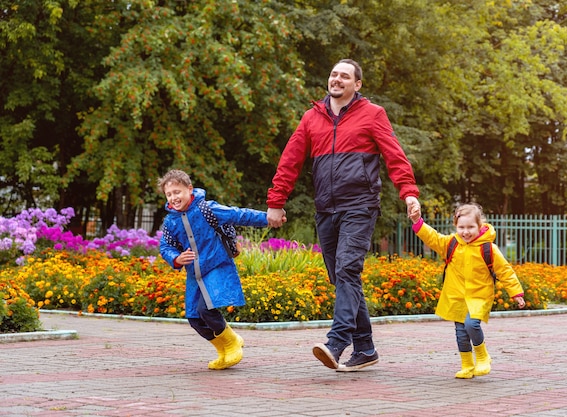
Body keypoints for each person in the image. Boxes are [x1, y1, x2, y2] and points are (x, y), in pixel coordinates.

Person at [266, 59, 421, 372]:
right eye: (334, 73)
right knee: (341, 277)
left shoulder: (373, 114)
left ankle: (336, 343)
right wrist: (276, 200)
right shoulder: (312, 117)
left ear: (357, 85)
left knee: (348, 269)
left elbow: (394, 155)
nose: (337, 79)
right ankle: (365, 348)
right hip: (326, 208)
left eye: (345, 76)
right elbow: (290, 161)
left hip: (360, 205)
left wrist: (409, 193)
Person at [158, 169, 270, 370]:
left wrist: (268, 218)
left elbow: (239, 215)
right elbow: (165, 246)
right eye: (169, 194)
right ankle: (223, 350)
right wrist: (176, 258)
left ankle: (232, 343)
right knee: (194, 317)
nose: (174, 197)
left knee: (205, 308)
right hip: (194, 273)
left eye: (177, 192)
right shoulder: (170, 222)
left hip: (216, 265)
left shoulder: (206, 209)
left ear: (189, 189)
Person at [409, 202, 525, 378]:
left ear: (480, 226)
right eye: (461, 227)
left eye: (471, 227)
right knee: (461, 332)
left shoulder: (488, 248)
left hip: (480, 296)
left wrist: (516, 293)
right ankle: (467, 365)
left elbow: (505, 271)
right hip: (457, 296)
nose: (466, 231)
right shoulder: (451, 244)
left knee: (472, 324)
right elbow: (431, 237)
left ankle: (482, 356)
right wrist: (418, 221)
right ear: (456, 226)